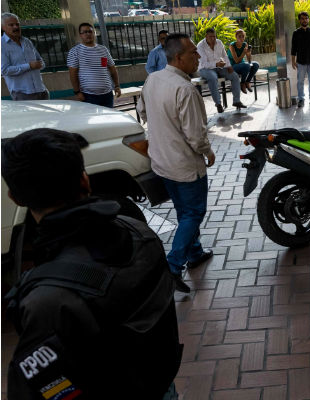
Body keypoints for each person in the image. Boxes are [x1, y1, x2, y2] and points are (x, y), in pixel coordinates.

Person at [2, 128, 182, 399]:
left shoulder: (47, 299)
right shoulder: (138, 231)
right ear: (85, 181)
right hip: (160, 384)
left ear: (16, 198)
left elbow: (38, 387)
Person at [137, 33, 216, 293]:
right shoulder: (185, 89)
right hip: (184, 164)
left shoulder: (152, 79)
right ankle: (173, 265)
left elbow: (142, 112)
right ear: (179, 57)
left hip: (161, 162)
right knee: (193, 213)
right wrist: (208, 152)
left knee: (184, 211)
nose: (199, 56)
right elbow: (195, 136)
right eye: (194, 52)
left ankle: (195, 253)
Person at [68, 23, 121, 108]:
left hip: (107, 94)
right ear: (80, 35)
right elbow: (72, 74)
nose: (88, 34)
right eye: (84, 32)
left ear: (94, 33)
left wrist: (117, 86)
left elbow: (112, 69)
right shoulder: (75, 52)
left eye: (90, 31)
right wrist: (77, 92)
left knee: (107, 119)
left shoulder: (103, 50)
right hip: (88, 96)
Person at [1, 13, 49, 100]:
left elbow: (40, 61)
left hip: (41, 90)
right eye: (11, 25)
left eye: (17, 24)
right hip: (22, 94)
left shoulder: (26, 41)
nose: (16, 27)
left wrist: (40, 64)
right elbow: (4, 70)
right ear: (3, 27)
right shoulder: (2, 45)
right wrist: (29, 66)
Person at [197, 28, 246, 113]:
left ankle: (236, 101)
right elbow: (204, 63)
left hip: (219, 67)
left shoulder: (219, 42)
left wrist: (229, 66)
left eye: (214, 36)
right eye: (210, 37)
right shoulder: (200, 46)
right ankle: (218, 103)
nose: (213, 39)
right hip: (205, 69)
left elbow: (225, 55)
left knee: (234, 75)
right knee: (213, 77)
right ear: (206, 36)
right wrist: (216, 64)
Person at [291, 11, 310, 107]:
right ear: (299, 20)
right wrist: (293, 61)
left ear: (308, 19)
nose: (304, 20)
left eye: (306, 18)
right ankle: (301, 100)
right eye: (302, 18)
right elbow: (293, 49)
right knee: (300, 81)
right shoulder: (296, 33)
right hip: (301, 62)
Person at [228, 29, 260, 94]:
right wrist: (243, 53)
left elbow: (249, 61)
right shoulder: (232, 45)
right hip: (232, 66)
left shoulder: (245, 44)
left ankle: (247, 82)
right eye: (239, 36)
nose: (242, 38)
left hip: (243, 65)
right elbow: (236, 61)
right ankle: (242, 83)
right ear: (236, 37)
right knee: (246, 65)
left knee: (256, 64)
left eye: (243, 36)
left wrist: (248, 53)